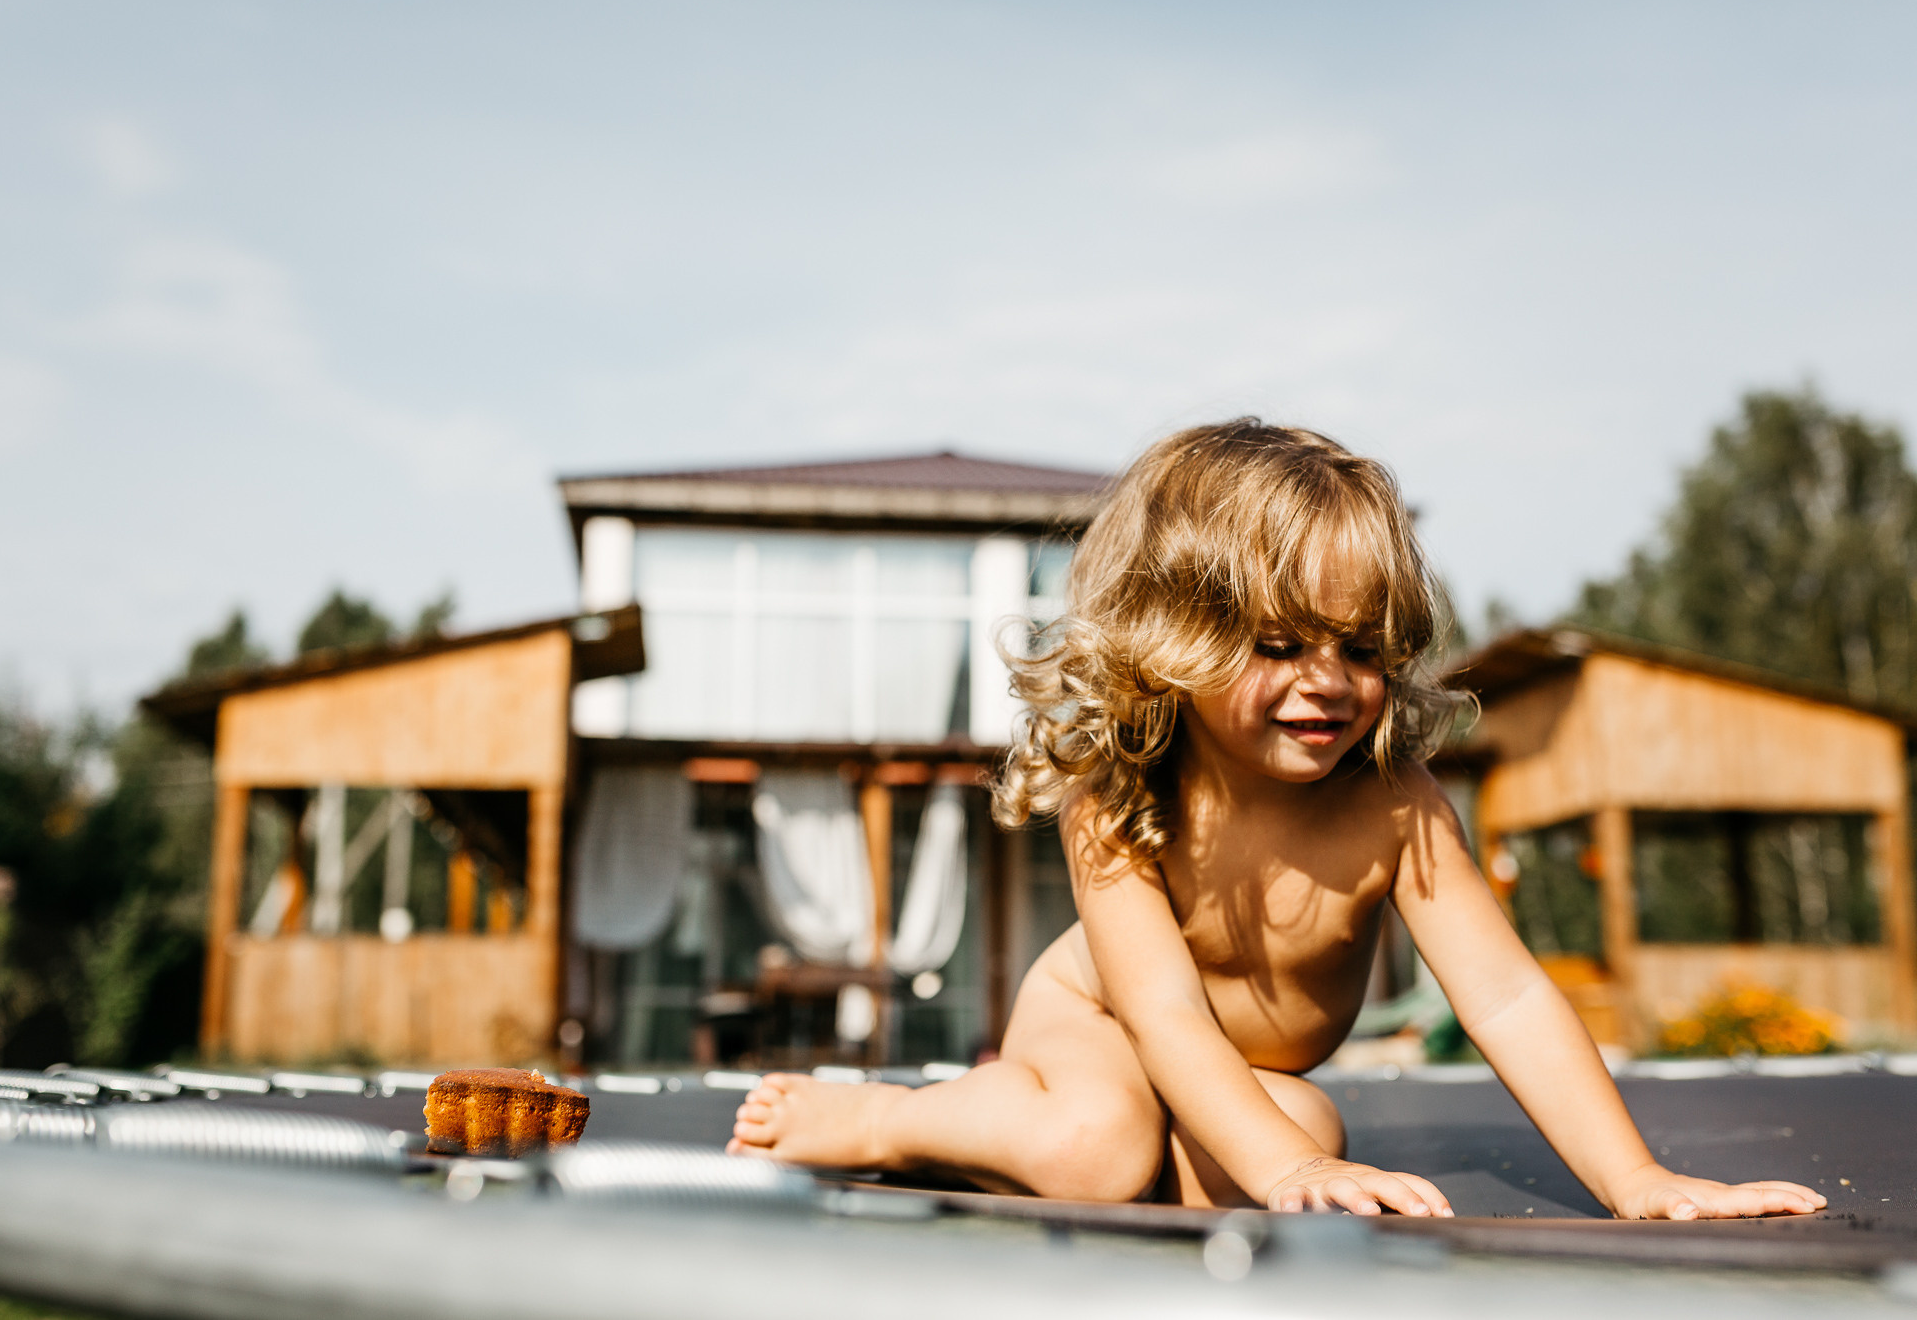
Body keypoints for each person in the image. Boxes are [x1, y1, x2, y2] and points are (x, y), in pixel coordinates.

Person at [728, 419, 1825, 1219]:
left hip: (1238, 1070)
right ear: (1176, 638)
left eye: (1356, 648)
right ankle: (894, 1120)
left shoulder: (1392, 801)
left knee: (1307, 1137)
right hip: (1096, 1032)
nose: (1328, 682)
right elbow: (1160, 1017)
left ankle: (1157, 1149)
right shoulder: (1123, 791)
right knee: (1101, 1148)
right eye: (1278, 644)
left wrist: (1636, 1180)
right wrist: (1277, 1172)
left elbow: (1503, 994)